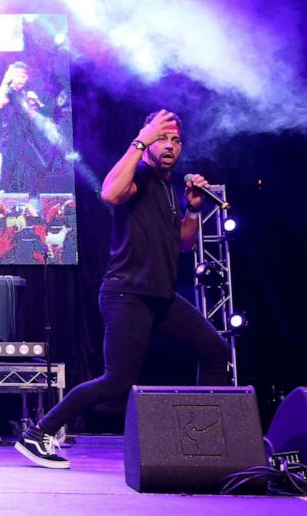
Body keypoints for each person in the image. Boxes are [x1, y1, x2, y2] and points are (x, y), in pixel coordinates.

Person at [14, 109, 231, 469]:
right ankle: (39, 432)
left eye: (176, 141)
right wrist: (142, 139)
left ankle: (204, 439)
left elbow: (183, 244)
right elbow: (111, 193)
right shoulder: (140, 176)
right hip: (126, 293)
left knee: (214, 348)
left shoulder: (166, 186)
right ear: (147, 140)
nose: (170, 146)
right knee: (117, 380)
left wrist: (193, 211)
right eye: (163, 138)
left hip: (159, 297)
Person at [0, 61, 47, 197]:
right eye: (18, 76)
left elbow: (30, 115)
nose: (21, 79)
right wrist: (5, 81)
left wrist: (33, 104)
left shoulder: (24, 93)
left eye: (24, 76)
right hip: (10, 142)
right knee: (4, 181)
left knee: (41, 168)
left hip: (24, 142)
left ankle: (33, 199)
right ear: (12, 76)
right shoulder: (8, 91)